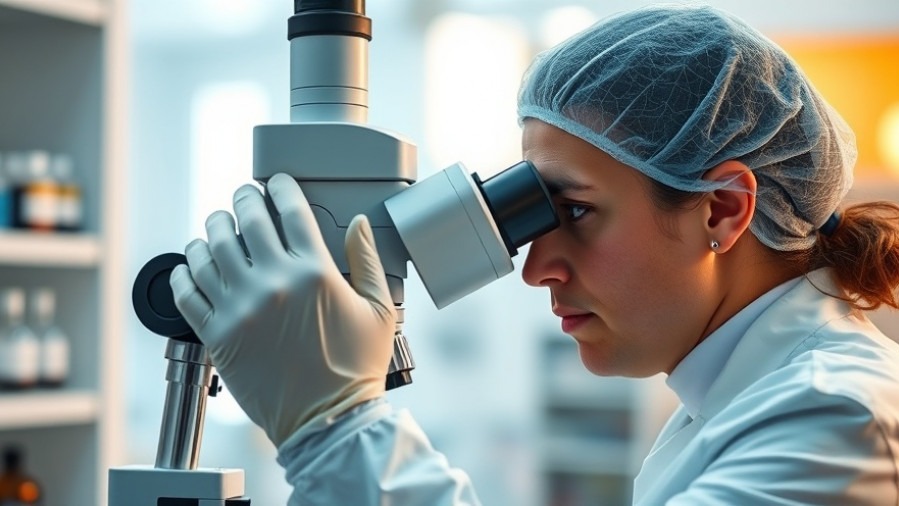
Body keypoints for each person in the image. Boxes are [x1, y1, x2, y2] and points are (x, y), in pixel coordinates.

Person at [168, 4, 899, 505]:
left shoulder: (831, 416)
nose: (534, 267)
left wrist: (336, 426)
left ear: (722, 210)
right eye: (538, 212)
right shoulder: (738, 395)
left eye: (574, 210)